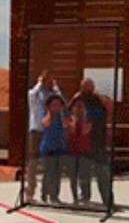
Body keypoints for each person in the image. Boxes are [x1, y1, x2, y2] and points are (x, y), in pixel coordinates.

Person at [71, 78, 112, 207]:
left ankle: (107, 199)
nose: (87, 91)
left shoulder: (99, 101)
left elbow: (108, 111)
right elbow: (69, 113)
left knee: (102, 173)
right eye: (85, 88)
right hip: (83, 142)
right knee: (84, 172)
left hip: (98, 142)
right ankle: (85, 196)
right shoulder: (78, 100)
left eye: (90, 87)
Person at [26, 69, 61, 203]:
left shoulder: (53, 94)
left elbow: (61, 101)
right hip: (37, 131)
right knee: (33, 164)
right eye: (48, 80)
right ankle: (29, 193)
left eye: (52, 80)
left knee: (50, 164)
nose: (50, 83)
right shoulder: (36, 93)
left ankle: (48, 193)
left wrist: (56, 88)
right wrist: (39, 84)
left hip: (50, 132)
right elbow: (32, 95)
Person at [40, 94, 68, 204]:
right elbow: (46, 123)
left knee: (57, 174)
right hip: (48, 148)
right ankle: (45, 193)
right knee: (48, 173)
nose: (57, 107)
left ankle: (54, 195)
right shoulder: (45, 116)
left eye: (59, 105)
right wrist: (51, 113)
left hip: (60, 147)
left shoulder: (62, 117)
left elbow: (68, 126)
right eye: (54, 105)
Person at [65, 97, 93, 204]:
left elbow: (86, 131)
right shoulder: (70, 121)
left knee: (84, 176)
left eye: (81, 107)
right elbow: (67, 133)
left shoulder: (88, 120)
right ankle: (75, 197)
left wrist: (81, 119)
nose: (79, 109)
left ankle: (85, 196)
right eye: (77, 107)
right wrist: (72, 123)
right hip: (71, 151)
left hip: (84, 151)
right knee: (73, 176)